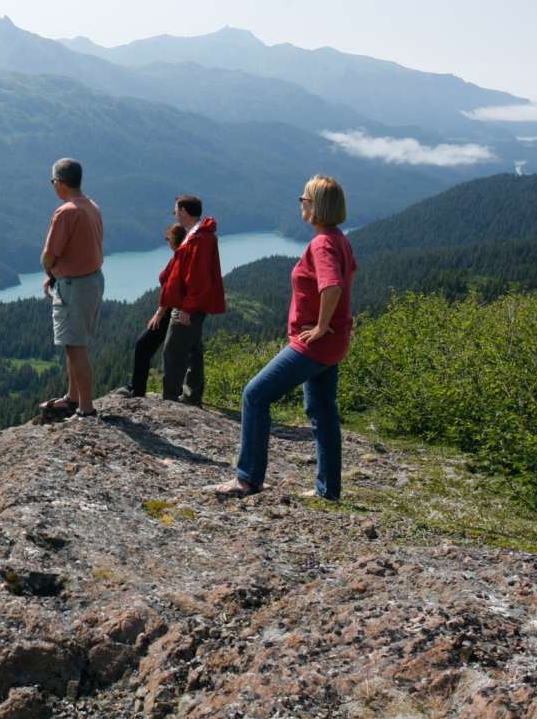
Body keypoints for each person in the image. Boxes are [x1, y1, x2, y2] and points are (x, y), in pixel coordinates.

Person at [215, 175, 357, 501]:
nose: (301, 203)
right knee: (322, 410)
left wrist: (321, 325)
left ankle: (248, 479)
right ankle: (328, 490)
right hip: (335, 342)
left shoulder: (322, 243)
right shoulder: (339, 238)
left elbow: (332, 285)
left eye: (304, 199)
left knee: (255, 395)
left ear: (316, 205)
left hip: (315, 343)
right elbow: (351, 274)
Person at [38, 158, 105, 420]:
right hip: (91, 280)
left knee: (76, 346)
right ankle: (73, 396)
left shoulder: (66, 211)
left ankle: (86, 408)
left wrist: (50, 271)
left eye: (53, 182)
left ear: (60, 182)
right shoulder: (91, 205)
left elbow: (49, 254)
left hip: (74, 287)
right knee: (72, 343)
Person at [159, 195, 226, 407]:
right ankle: (192, 396)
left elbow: (198, 278)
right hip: (190, 304)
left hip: (188, 305)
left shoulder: (199, 238)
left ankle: (171, 399)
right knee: (193, 350)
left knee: (173, 350)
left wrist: (187, 307)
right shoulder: (196, 235)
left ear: (184, 212)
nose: (175, 214)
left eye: (176, 211)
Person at [116, 222, 187, 398]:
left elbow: (172, 289)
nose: (167, 241)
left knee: (144, 345)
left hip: (172, 310)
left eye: (168, 238)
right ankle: (173, 391)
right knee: (177, 350)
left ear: (174, 239)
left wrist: (159, 313)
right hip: (175, 308)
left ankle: (138, 389)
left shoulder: (180, 257)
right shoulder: (182, 255)